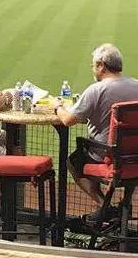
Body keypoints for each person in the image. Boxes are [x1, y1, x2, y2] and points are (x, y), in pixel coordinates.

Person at [54, 44, 138, 222]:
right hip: (135, 158)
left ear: (102, 65)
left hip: (107, 158)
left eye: (93, 65)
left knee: (73, 161)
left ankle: (104, 206)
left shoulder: (96, 90)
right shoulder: (136, 86)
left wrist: (58, 107)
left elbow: (68, 120)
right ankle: (125, 205)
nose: (93, 69)